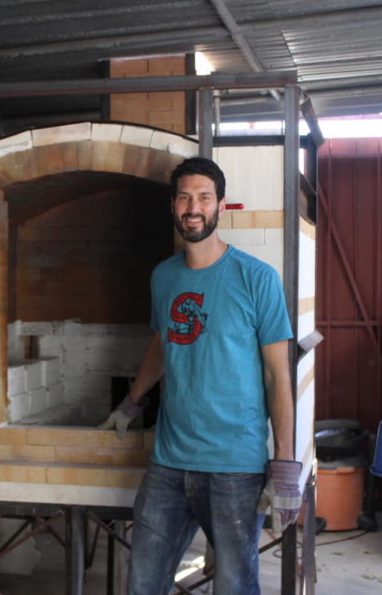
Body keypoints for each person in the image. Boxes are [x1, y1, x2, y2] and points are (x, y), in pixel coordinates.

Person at [100, 156, 301, 595]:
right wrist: (132, 403)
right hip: (169, 462)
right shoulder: (164, 276)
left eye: (204, 198)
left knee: (234, 585)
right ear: (173, 206)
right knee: (143, 583)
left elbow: (277, 375)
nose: (194, 207)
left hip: (235, 467)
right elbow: (162, 343)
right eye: (185, 197)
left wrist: (284, 463)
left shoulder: (257, 279)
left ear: (220, 206)